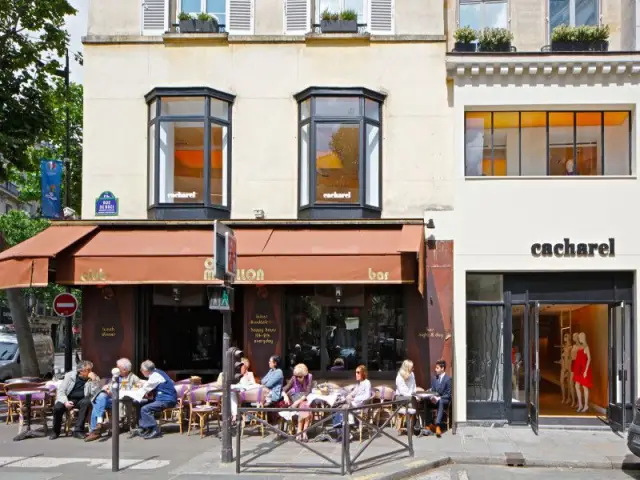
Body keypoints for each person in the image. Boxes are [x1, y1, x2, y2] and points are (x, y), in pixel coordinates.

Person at [85, 358, 142, 442]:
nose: (116, 368)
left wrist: (132, 388)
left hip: (122, 400)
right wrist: (107, 388)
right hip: (112, 398)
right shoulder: (116, 376)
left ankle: (95, 429)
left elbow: (139, 387)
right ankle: (99, 424)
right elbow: (111, 386)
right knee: (101, 397)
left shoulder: (133, 377)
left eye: (118, 367)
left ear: (125, 369)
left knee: (98, 403)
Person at [50, 360, 101, 440]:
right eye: (88, 370)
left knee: (86, 402)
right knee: (58, 407)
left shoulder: (94, 377)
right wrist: (65, 402)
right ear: (81, 371)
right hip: (68, 398)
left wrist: (94, 381)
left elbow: (96, 393)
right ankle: (55, 431)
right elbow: (61, 391)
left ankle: (78, 431)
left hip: (82, 399)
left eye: (91, 369)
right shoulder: (69, 376)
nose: (91, 372)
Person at [130, 360, 177, 439]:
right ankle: (144, 427)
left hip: (166, 400)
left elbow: (145, 389)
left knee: (145, 408)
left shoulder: (155, 376)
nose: (141, 371)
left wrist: (133, 395)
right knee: (139, 403)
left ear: (146, 370)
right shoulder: (157, 373)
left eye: (141, 370)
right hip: (162, 398)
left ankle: (154, 429)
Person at [283, 363, 313, 441]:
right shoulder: (294, 378)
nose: (298, 378)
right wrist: (285, 396)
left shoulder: (309, 377)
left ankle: (300, 431)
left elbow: (308, 391)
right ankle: (303, 432)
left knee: (304, 407)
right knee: (305, 408)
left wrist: (298, 402)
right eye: (297, 376)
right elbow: (284, 389)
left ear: (305, 375)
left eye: (300, 376)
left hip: (304, 398)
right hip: (295, 397)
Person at [427, 360, 452, 438]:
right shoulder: (435, 378)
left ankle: (437, 426)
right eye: (435, 368)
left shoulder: (448, 379)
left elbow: (448, 395)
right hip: (436, 400)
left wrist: (439, 398)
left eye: (437, 368)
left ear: (442, 368)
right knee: (426, 400)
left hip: (444, 400)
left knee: (440, 401)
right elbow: (434, 391)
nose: (435, 369)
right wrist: (431, 395)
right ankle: (429, 424)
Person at [230, 357, 257, 422]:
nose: (243, 365)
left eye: (244, 364)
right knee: (231, 392)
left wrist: (247, 381)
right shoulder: (237, 374)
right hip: (237, 392)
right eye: (241, 364)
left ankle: (236, 415)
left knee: (233, 393)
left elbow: (254, 384)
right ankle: (234, 415)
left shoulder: (250, 374)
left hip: (246, 393)